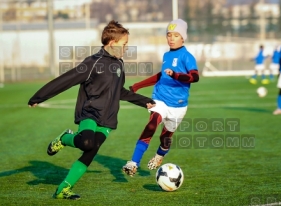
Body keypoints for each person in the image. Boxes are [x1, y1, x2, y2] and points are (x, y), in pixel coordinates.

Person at [28, 20, 156, 199]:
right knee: (87, 142)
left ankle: (63, 189)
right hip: (90, 113)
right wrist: (39, 96)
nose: (127, 48)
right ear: (112, 44)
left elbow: (119, 91)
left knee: (91, 150)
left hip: (108, 118)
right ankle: (65, 138)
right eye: (124, 44)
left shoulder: (119, 65)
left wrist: (145, 101)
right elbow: (66, 79)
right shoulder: (92, 62)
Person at [122, 19, 199, 177]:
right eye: (169, 35)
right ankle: (133, 163)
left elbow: (195, 77)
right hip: (160, 98)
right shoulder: (166, 55)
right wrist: (139, 85)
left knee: (166, 138)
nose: (171, 38)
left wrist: (176, 75)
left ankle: (160, 155)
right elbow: (161, 75)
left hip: (178, 106)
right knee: (152, 124)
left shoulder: (187, 56)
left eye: (175, 35)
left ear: (183, 37)